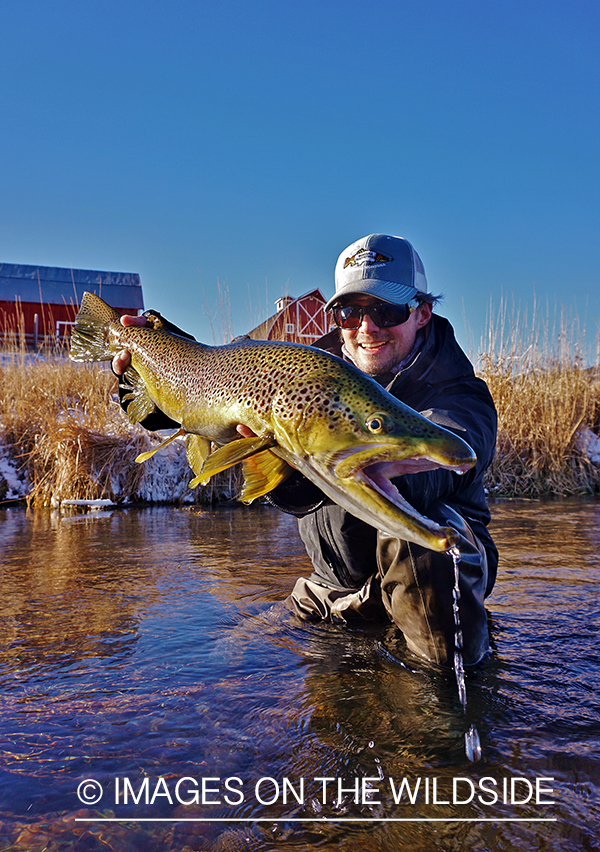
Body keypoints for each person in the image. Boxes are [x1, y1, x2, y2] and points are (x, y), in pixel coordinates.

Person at [113, 234, 497, 668]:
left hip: (432, 585)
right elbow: (213, 394)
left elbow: (444, 467)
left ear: (422, 312)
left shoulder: (462, 394)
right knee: (222, 662)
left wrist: (315, 454)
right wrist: (162, 380)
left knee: (426, 539)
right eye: (351, 313)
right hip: (331, 589)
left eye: (386, 310)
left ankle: (444, 703)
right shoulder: (302, 372)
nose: (366, 328)